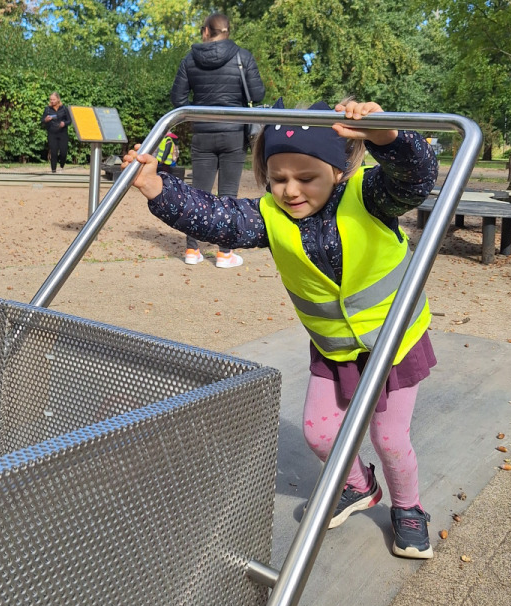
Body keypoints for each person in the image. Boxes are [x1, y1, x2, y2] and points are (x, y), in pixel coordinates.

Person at [123, 99, 439, 559]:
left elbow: (415, 179)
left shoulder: (370, 195)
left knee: (389, 439)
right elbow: (217, 217)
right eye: (278, 178)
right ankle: (358, 485)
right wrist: (157, 187)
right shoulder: (269, 215)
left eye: (306, 178)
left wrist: (387, 137)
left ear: (338, 171)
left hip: (395, 341)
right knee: (319, 433)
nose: (291, 190)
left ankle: (408, 507)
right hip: (334, 348)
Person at [169, 12, 264, 267]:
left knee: (197, 194)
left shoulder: (189, 59)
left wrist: (198, 111)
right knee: (228, 195)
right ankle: (224, 253)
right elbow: (257, 94)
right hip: (234, 134)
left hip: (202, 133)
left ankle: (192, 250)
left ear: (205, 32)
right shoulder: (243, 57)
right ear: (228, 31)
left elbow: (177, 99)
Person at [42, 92, 72, 173]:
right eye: (51, 99)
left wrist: (64, 123)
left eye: (54, 99)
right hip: (52, 133)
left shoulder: (64, 109)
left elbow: (69, 120)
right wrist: (46, 120)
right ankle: (53, 170)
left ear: (58, 99)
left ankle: (61, 166)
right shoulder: (47, 109)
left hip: (63, 133)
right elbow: (42, 120)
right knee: (54, 152)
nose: (52, 101)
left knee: (63, 152)